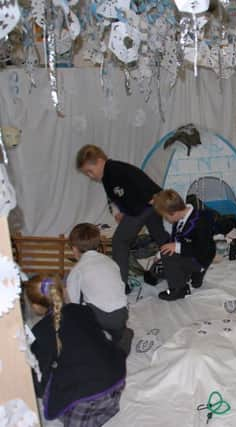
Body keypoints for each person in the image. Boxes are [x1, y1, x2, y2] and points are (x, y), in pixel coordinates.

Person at [26, 275, 126, 426]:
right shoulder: (83, 310)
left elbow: (42, 372)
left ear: (35, 306)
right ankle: (105, 410)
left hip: (88, 397)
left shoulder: (40, 332)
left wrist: (39, 389)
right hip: (116, 381)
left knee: (44, 383)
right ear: (63, 292)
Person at [76, 144, 169, 293]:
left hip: (147, 204)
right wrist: (124, 211)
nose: (90, 176)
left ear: (100, 161)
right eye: (87, 174)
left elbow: (138, 184)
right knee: (160, 236)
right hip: (148, 204)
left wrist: (150, 202)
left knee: (120, 241)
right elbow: (125, 194)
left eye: (89, 171)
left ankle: (121, 284)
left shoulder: (114, 171)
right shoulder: (109, 174)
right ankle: (174, 268)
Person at [67, 223, 133, 354]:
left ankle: (95, 341)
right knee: (115, 327)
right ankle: (121, 335)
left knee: (76, 312)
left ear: (74, 249)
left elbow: (73, 303)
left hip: (101, 318)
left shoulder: (77, 270)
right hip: (121, 314)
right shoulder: (111, 262)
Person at [152, 189, 216, 301]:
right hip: (187, 254)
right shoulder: (179, 218)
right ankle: (190, 274)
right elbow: (174, 239)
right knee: (156, 270)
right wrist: (160, 252)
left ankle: (179, 289)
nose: (166, 220)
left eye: (166, 217)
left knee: (168, 257)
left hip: (199, 258)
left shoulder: (200, 221)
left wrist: (176, 248)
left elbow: (202, 250)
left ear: (173, 212)